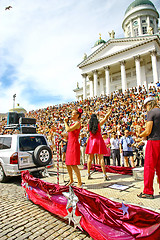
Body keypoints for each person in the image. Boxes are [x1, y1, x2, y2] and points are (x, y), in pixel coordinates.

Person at [137, 96, 160, 199]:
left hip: (153, 142)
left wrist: (139, 135)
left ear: (148, 104)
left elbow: (148, 131)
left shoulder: (151, 113)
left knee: (149, 167)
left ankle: (148, 191)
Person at [85, 108, 112, 180]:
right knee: (101, 158)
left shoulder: (88, 126)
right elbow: (106, 117)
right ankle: (104, 174)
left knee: (90, 158)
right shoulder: (99, 124)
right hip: (99, 140)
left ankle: (88, 173)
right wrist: (109, 112)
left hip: (91, 140)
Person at [64, 108, 83, 187]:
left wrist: (65, 122)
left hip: (74, 144)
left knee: (73, 164)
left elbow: (68, 130)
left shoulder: (78, 123)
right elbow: (68, 133)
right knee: (68, 164)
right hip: (70, 143)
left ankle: (79, 182)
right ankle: (71, 179)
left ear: (77, 115)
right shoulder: (72, 123)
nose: (72, 115)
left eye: (73, 114)